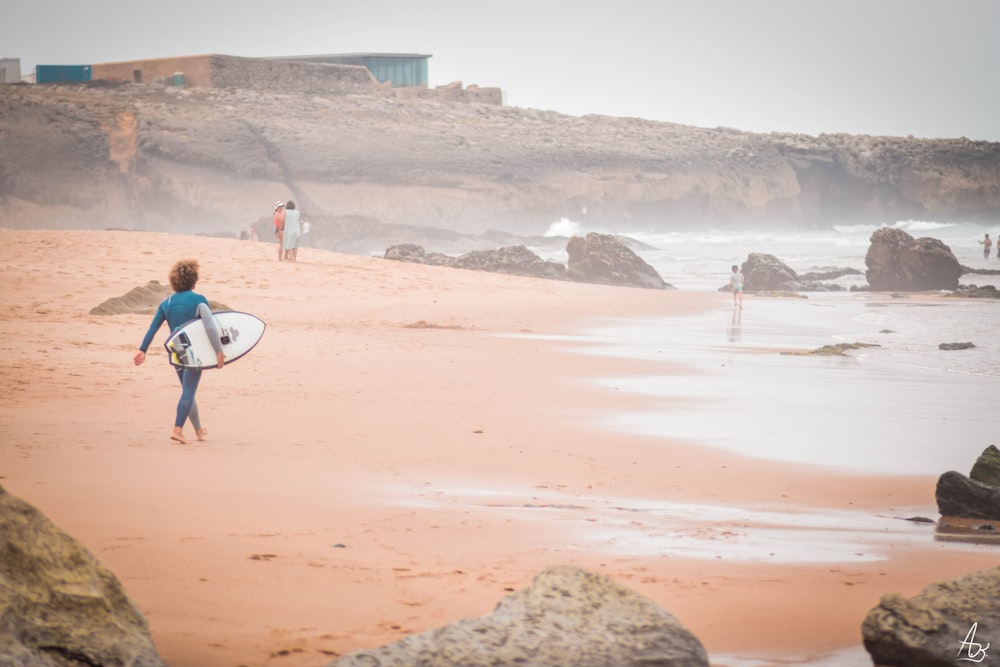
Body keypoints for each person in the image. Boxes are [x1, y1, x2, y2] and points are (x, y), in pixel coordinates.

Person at [133, 259, 225, 444]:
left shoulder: (166, 303)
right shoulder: (199, 300)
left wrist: (143, 349)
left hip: (177, 350)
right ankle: (177, 429)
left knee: (187, 391)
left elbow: (153, 328)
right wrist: (219, 351)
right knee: (189, 390)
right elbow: (211, 327)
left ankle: (198, 430)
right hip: (193, 351)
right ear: (194, 279)